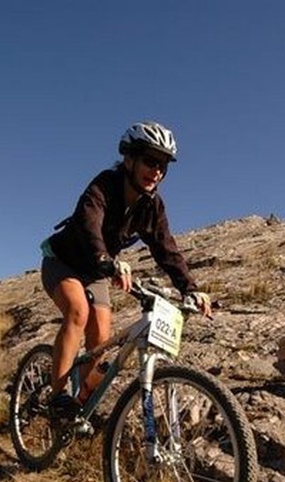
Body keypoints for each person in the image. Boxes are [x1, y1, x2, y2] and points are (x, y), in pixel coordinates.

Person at [39, 120, 211, 419]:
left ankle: (78, 408)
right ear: (129, 158)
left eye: (163, 165)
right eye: (150, 160)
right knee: (78, 312)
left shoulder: (152, 206)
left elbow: (166, 248)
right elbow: (88, 221)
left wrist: (190, 288)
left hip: (98, 272)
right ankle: (57, 398)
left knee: (101, 337)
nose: (156, 170)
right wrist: (107, 260)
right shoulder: (105, 184)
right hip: (64, 261)